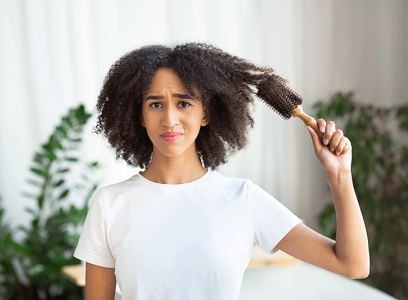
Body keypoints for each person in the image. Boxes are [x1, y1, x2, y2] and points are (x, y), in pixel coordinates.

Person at [73, 43, 369, 300]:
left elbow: (352, 265)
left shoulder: (243, 199)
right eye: (155, 104)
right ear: (140, 115)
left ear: (205, 114)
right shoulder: (110, 204)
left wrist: (340, 176)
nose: (169, 118)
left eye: (184, 103)